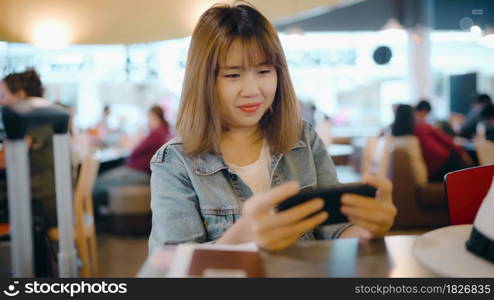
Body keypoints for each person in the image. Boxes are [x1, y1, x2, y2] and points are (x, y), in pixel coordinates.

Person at [149, 4, 396, 254]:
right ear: (204, 81)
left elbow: (334, 228)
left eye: (264, 71)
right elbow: (169, 267)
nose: (253, 90)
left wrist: (367, 230)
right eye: (233, 75)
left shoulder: (303, 139)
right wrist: (238, 240)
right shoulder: (174, 163)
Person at [0, 69, 57, 276]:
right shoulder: (43, 114)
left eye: (4, 95)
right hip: (44, 197)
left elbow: (9, 157)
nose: (1, 101)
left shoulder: (35, 117)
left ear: (21, 95)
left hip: (44, 203)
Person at [93, 105, 172, 213]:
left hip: (141, 173)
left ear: (154, 117)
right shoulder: (165, 132)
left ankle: (94, 218)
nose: (147, 121)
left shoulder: (156, 134)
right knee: (107, 178)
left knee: (99, 182)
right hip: (147, 173)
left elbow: (134, 153)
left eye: (148, 117)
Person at [392, 104, 469, 182]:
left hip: (431, 169)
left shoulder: (399, 135)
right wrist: (461, 151)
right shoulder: (421, 126)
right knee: (464, 163)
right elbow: (446, 140)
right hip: (442, 161)